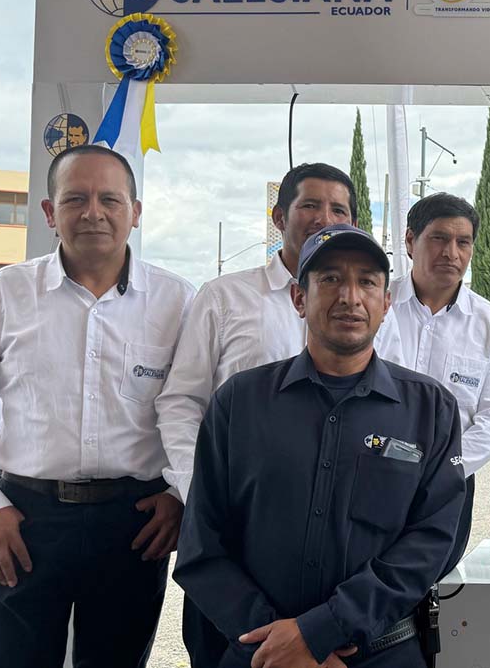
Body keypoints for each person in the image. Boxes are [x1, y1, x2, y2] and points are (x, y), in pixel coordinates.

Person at [175, 224, 466, 668]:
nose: (350, 296)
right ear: (298, 298)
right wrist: (280, 645)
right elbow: (202, 545)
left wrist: (319, 632)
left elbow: (430, 542)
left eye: (367, 281)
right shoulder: (239, 403)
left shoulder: (430, 410)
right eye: (330, 278)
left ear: (386, 303)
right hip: (258, 652)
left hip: (381, 652)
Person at [0, 144, 195, 667]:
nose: (93, 212)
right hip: (24, 519)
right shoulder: (3, 296)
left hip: (136, 523)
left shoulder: (179, 303)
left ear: (136, 212)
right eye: (75, 198)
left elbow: (198, 411)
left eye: (110, 199)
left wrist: (177, 494)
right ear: (51, 213)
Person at [155, 161, 385, 502]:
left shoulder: (367, 307)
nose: (324, 219)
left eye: (338, 210)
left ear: (352, 223)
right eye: (309, 205)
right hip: (241, 498)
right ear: (279, 218)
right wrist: (195, 489)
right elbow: (182, 402)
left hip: (343, 499)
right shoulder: (224, 298)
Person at [384, 193, 490, 577]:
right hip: (372, 475)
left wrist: (440, 471)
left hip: (447, 487)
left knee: (431, 584)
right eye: (438, 238)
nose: (451, 252)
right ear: (410, 242)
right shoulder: (377, 306)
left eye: (463, 242)